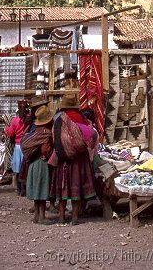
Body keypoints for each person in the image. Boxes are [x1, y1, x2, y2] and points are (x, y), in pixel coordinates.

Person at [50, 94, 97, 225]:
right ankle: (75, 217)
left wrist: (64, 149)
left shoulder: (59, 120)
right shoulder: (81, 119)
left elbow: (55, 138)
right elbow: (89, 136)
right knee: (76, 187)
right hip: (79, 159)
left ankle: (61, 217)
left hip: (63, 159)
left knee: (62, 189)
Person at [21, 104, 55, 224]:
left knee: (36, 190)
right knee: (42, 190)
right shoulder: (46, 133)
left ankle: (36, 216)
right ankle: (41, 217)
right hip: (42, 164)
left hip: (32, 164)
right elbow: (46, 150)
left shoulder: (34, 132)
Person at [4, 106, 27, 194]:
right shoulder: (28, 120)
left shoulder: (15, 120)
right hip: (27, 146)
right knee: (25, 167)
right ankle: (24, 189)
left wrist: (6, 128)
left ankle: (19, 189)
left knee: (18, 168)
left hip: (18, 146)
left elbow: (10, 133)